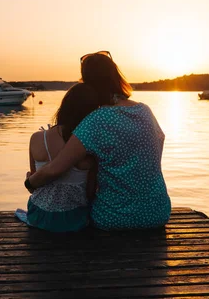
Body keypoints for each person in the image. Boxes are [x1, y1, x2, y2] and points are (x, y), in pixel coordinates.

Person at [25, 51, 171, 230]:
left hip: (113, 218)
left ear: (88, 83)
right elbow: (157, 150)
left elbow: (57, 168)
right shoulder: (145, 111)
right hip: (158, 213)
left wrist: (30, 182)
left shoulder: (97, 120)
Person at [16, 83, 100, 232]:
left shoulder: (37, 138)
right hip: (75, 220)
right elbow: (90, 193)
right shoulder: (90, 145)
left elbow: (34, 186)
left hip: (39, 217)